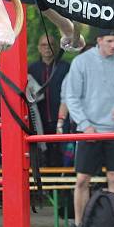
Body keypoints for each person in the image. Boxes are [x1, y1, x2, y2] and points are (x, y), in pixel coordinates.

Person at [59, 29, 114, 227]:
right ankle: (80, 226)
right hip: (89, 129)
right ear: (99, 41)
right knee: (82, 179)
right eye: (109, 41)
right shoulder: (82, 62)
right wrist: (85, 125)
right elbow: (72, 97)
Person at [28, 34, 70, 166]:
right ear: (39, 48)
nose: (47, 48)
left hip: (61, 119)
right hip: (40, 119)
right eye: (44, 45)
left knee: (61, 154)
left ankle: (60, 184)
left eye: (51, 44)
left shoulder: (65, 67)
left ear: (56, 47)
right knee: (42, 155)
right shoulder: (31, 69)